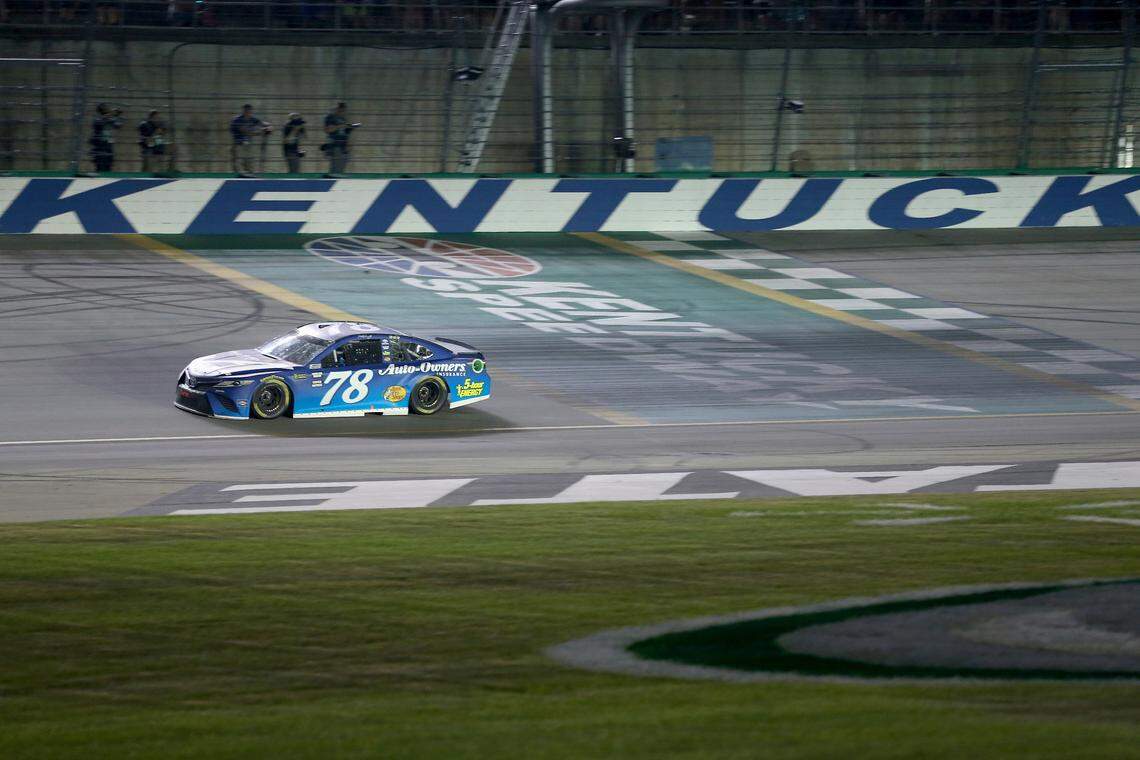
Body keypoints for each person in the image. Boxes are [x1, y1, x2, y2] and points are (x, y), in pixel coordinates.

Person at [230, 104, 270, 177]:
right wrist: (261, 132)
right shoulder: (237, 120)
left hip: (247, 143)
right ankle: (241, 174)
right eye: (246, 110)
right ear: (243, 110)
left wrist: (269, 127)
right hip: (238, 143)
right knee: (240, 160)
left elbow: (263, 123)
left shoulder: (252, 119)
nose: (248, 112)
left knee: (249, 159)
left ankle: (250, 174)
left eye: (249, 110)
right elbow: (246, 132)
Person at [322, 102, 359, 177]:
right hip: (335, 144)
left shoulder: (343, 118)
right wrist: (340, 126)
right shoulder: (330, 117)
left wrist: (349, 142)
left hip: (343, 145)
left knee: (342, 165)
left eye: (344, 110)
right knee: (335, 167)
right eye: (341, 110)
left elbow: (345, 132)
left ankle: (337, 179)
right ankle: (332, 179)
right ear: (337, 109)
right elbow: (328, 130)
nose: (343, 111)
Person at [90, 103, 123, 173]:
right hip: (100, 146)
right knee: (100, 166)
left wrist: (117, 116)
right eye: (106, 108)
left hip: (108, 145)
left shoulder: (109, 119)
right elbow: (99, 124)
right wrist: (110, 116)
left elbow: (118, 125)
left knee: (108, 165)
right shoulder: (97, 119)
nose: (108, 109)